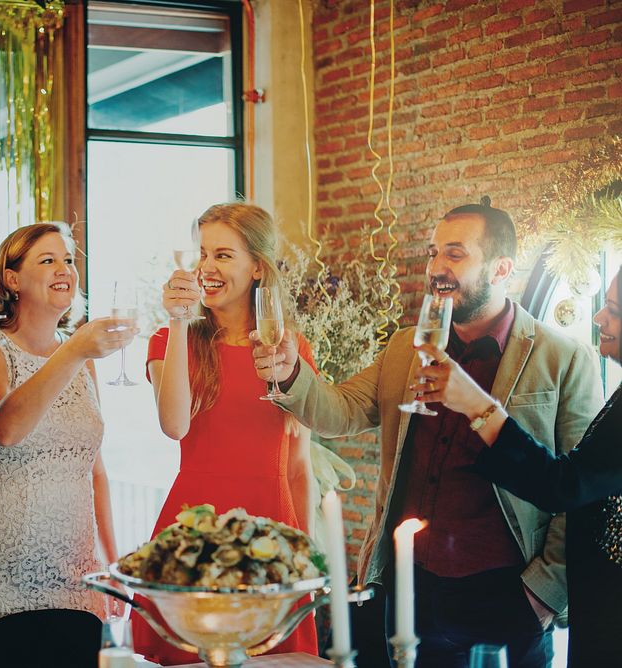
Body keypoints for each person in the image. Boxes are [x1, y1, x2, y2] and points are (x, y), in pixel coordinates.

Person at [251, 198, 603, 667]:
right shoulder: (405, 346)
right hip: (406, 587)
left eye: (454, 254)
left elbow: (580, 493)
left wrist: (543, 593)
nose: (436, 267)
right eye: (433, 253)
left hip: (506, 593)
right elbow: (343, 410)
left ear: (501, 268)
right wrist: (294, 374)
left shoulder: (566, 359)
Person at [0, 222, 135, 667]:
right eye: (48, 260)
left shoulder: (81, 358)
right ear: (12, 278)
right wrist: (76, 350)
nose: (64, 268)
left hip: (75, 574)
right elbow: (5, 427)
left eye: (69, 259)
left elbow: (94, 470)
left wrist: (113, 563)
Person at [132, 202, 319, 665]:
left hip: (272, 531)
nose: (207, 267)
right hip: (193, 529)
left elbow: (299, 465)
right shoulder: (169, 340)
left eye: (223, 255)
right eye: (202, 253)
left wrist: (307, 561)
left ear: (258, 266)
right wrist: (178, 320)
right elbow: (174, 425)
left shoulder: (291, 349)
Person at [413, 265, 621, 667]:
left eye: (612, 308)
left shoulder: (566, 356)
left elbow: (564, 484)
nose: (599, 317)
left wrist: (478, 405)